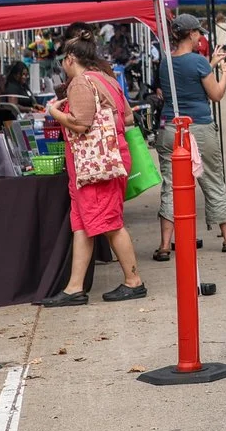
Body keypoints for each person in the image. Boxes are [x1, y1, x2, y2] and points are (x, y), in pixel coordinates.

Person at [38, 38, 146, 306]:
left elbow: (81, 124)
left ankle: (134, 282)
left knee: (109, 222)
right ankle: (74, 288)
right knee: (84, 224)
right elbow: (127, 116)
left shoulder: (81, 83)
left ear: (71, 59)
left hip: (96, 167)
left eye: (64, 59)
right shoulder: (106, 78)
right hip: (105, 161)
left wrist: (54, 112)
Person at [154, 15, 226, 258]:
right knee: (212, 179)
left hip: (171, 127)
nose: (201, 37)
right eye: (198, 33)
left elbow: (185, 80)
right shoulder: (198, 62)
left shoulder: (165, 62)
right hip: (199, 127)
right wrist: (224, 72)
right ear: (191, 33)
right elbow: (216, 94)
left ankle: (164, 245)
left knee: (171, 185)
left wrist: (210, 63)